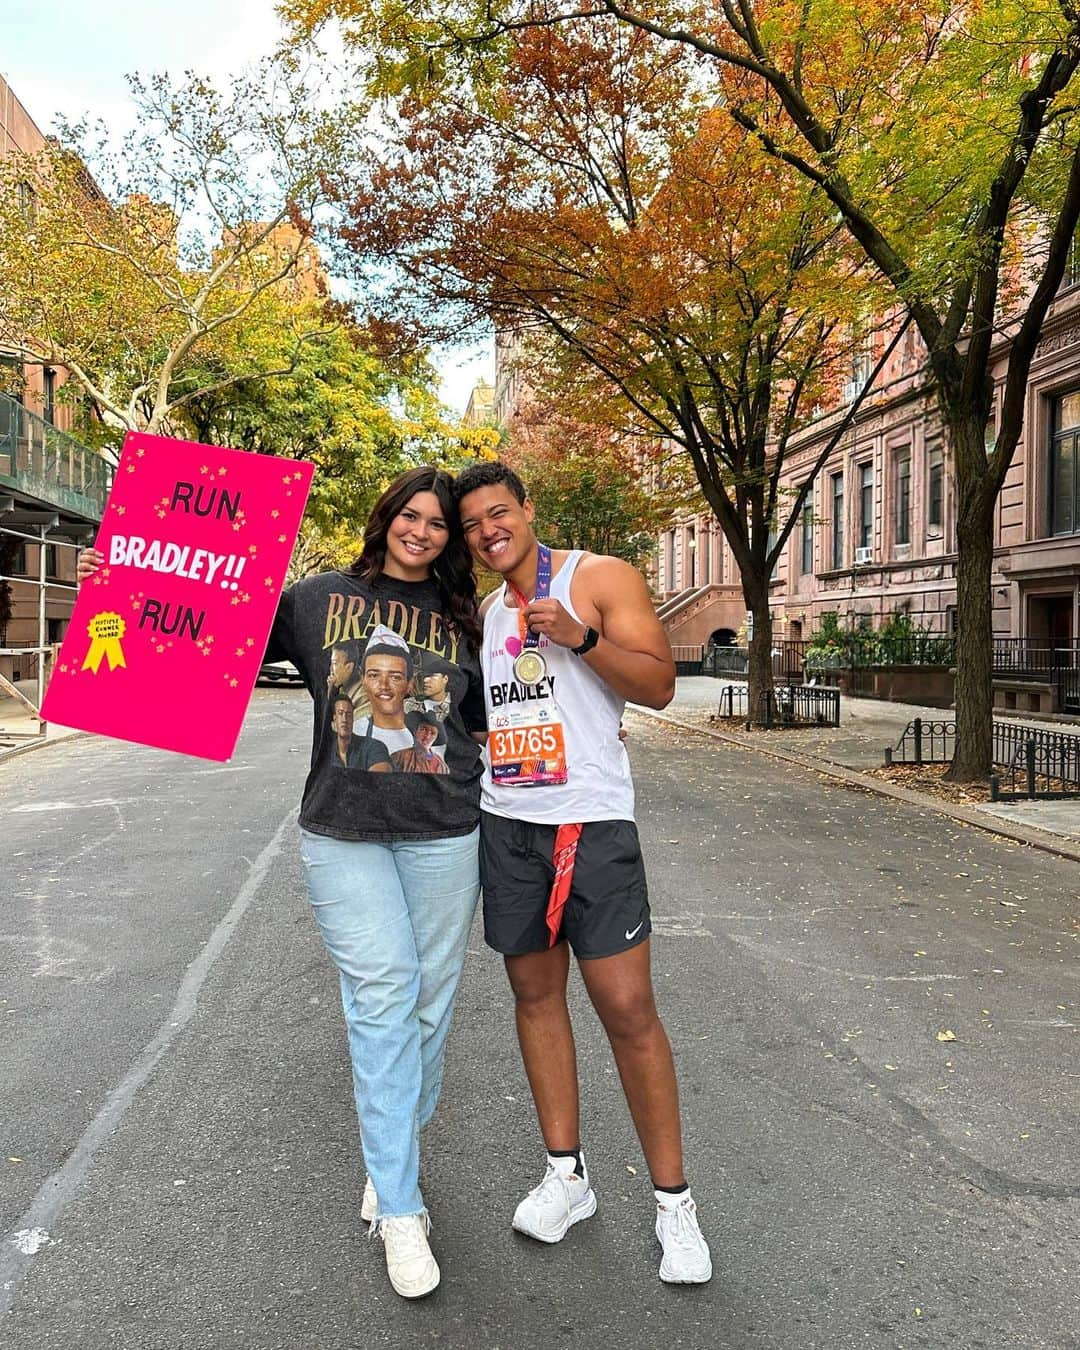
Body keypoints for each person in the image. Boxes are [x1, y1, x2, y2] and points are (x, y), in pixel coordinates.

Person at [78, 465, 486, 1301]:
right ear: (386, 518)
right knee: (382, 997)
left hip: (447, 832)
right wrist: (118, 583)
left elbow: (490, 719)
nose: (422, 531)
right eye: (410, 514)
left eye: (438, 523)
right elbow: (202, 630)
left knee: (428, 1007)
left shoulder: (463, 617)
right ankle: (400, 1209)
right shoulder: (314, 599)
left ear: (450, 539)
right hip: (342, 832)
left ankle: (391, 1158)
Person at [454, 460, 712, 1285]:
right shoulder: (485, 613)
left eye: (500, 512)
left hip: (593, 825)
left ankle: (675, 1204)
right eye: (473, 524)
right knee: (535, 998)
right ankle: (567, 1177)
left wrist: (582, 638)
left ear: (529, 509)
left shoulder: (598, 577)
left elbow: (664, 685)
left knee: (629, 1008)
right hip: (509, 825)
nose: (489, 530)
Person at [330, 691, 392, 771]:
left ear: (352, 718)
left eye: (348, 714)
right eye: (340, 713)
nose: (344, 719)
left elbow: (379, 778)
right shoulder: (327, 752)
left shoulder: (373, 747)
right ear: (335, 718)